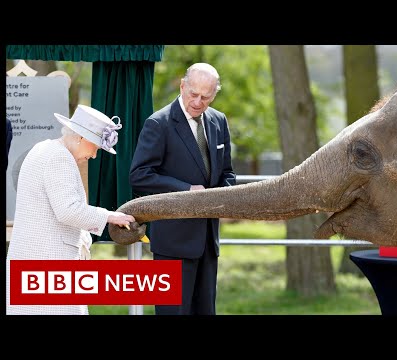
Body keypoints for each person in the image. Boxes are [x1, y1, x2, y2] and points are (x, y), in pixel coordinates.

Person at [6, 104, 136, 315]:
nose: (94, 155)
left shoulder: (44, 148)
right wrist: (110, 215)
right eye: (96, 147)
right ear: (82, 138)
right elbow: (68, 210)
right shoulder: (60, 157)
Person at [129, 63, 236, 315]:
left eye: (205, 97)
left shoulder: (219, 121)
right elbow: (139, 175)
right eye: (193, 94)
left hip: (209, 243)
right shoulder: (158, 123)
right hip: (172, 244)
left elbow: (228, 173)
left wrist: (224, 195)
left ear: (214, 95)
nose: (198, 102)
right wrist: (186, 190)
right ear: (182, 86)